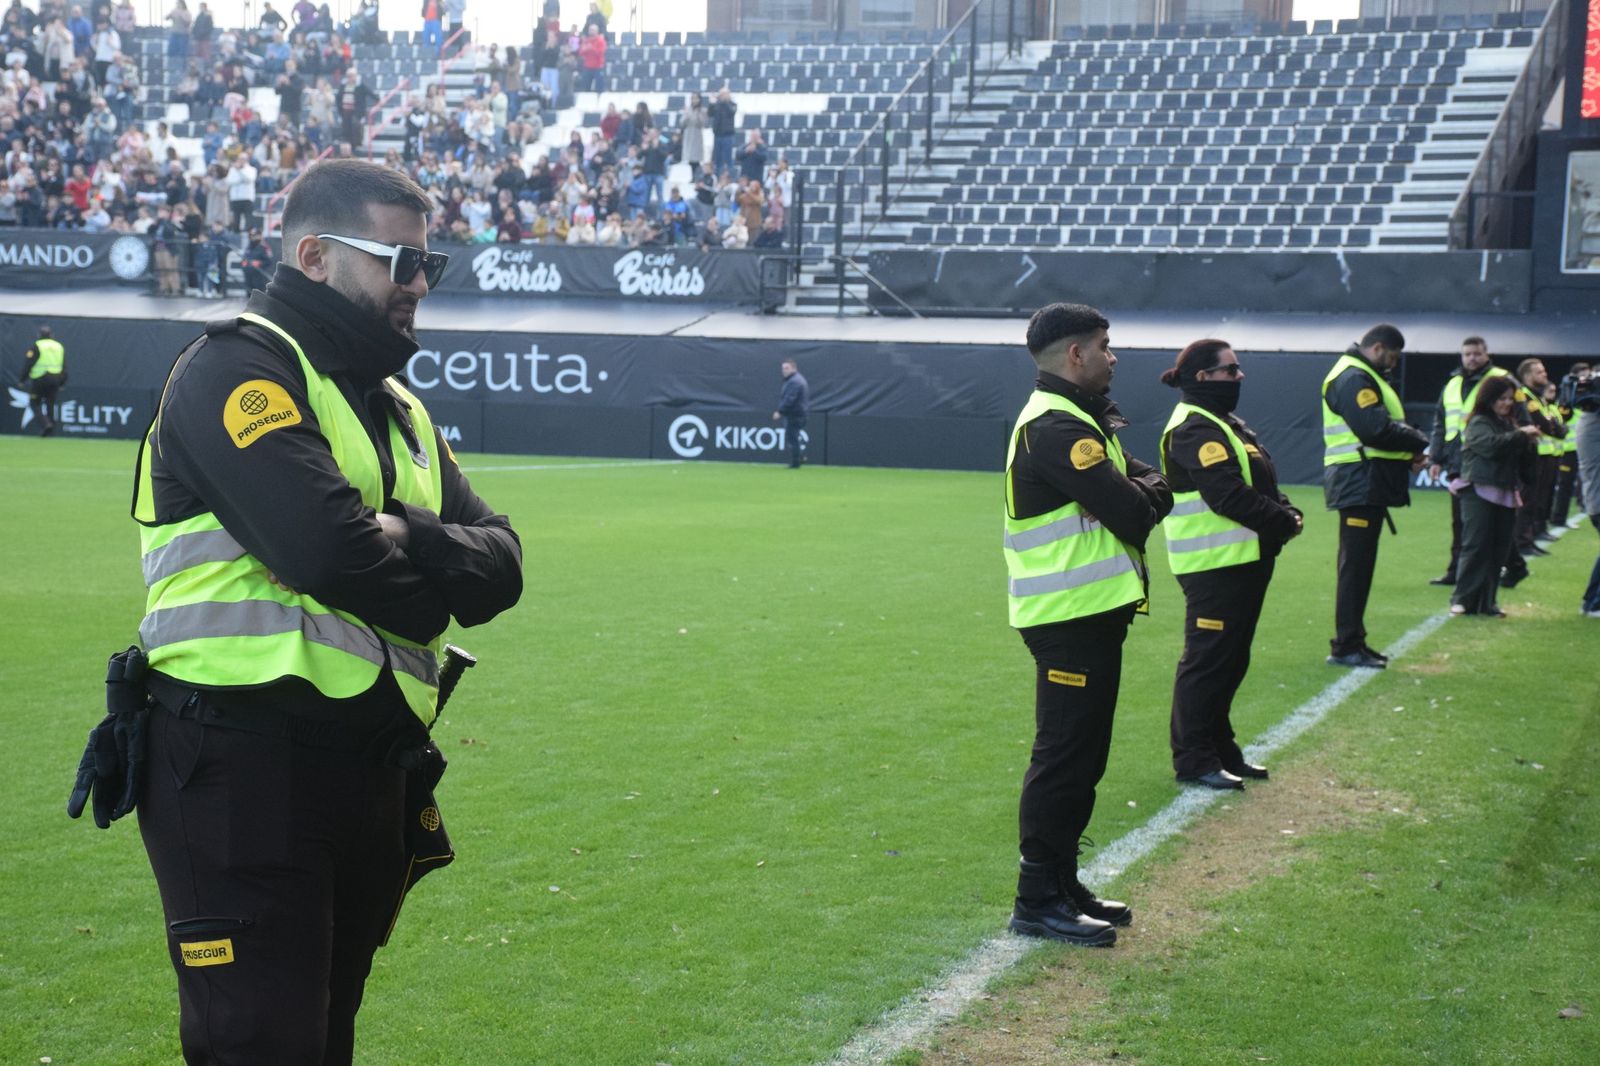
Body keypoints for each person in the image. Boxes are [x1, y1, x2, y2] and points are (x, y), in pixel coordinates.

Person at [124, 160, 523, 1064]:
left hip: (363, 770)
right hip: (240, 766)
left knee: (321, 1040)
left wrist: (410, 535)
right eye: (402, 261)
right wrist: (434, 587)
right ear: (313, 254)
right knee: (262, 1044)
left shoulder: (400, 409)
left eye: (433, 265)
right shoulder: (235, 368)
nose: (421, 284)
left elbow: (504, 565)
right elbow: (326, 553)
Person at [1003, 303, 1172, 947]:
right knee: (1064, 756)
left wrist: (1145, 487)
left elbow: (1145, 485)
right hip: (1066, 616)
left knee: (1084, 756)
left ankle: (1062, 882)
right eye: (1106, 345)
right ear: (1075, 353)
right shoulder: (1054, 425)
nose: (1114, 355)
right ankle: (1036, 898)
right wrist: (1147, 490)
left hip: (1088, 613)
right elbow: (1135, 506)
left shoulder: (1076, 418)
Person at [1158, 340, 1301, 790]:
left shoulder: (1224, 423)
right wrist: (1284, 522)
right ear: (1203, 378)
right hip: (1213, 566)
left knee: (1230, 660)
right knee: (1208, 661)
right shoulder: (1193, 428)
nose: (1239, 377)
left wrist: (1286, 510)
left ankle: (1221, 750)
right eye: (1231, 370)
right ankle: (1193, 758)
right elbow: (1228, 495)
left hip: (1243, 561)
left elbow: (1259, 480)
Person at [1319, 324, 1429, 669]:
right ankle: (1346, 645)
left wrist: (1408, 449)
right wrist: (1419, 441)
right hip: (1359, 482)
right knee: (1355, 568)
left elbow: (1376, 430)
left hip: (1364, 481)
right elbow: (1375, 429)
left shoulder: (1361, 375)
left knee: (1359, 567)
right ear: (1379, 348)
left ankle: (1353, 642)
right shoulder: (1354, 377)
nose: (1393, 364)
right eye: (1392, 357)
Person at [1450, 375, 1539, 617]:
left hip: (1504, 491)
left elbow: (1523, 463)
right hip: (1478, 490)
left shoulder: (1509, 425)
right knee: (1476, 545)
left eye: (1510, 399)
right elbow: (1491, 447)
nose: (1507, 403)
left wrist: (1530, 444)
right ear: (1489, 399)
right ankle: (1462, 599)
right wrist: (1522, 436)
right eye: (1502, 398)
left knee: (1498, 550)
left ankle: (1487, 603)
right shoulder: (1479, 422)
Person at [1425, 336, 1508, 586]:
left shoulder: (1499, 379)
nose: (1472, 358)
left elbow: (1515, 414)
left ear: (1486, 354)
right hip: (1458, 461)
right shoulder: (1453, 384)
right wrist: (1435, 458)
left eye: (1476, 354)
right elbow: (1440, 423)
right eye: (1467, 354)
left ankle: (1503, 566)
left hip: (1489, 460)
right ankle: (1456, 571)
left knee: (1489, 522)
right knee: (1460, 521)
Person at [18, 324, 66, 436]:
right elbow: (64, 366)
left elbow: (29, 363)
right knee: (50, 404)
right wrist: (62, 382)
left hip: (40, 378)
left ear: (39, 335)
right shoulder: (58, 346)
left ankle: (45, 424)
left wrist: (22, 379)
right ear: (52, 335)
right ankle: (51, 430)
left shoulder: (37, 346)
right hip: (55, 379)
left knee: (34, 403)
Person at [770, 358, 808, 468]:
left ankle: (796, 462)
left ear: (793, 368)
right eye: (783, 368)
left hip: (795, 415)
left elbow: (789, 399)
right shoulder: (796, 379)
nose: (784, 370)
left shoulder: (794, 381)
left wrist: (780, 411)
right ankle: (800, 457)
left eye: (787, 368)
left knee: (792, 439)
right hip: (799, 414)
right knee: (793, 437)